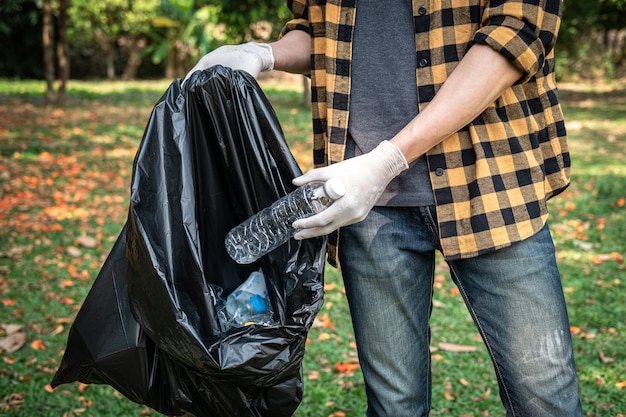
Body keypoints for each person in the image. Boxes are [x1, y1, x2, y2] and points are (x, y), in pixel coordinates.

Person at [186, 0, 583, 415]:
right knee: (395, 405)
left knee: (545, 395)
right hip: (366, 202)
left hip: (491, 187)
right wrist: (264, 53)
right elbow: (320, 30)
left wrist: (388, 159)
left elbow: (516, 33)